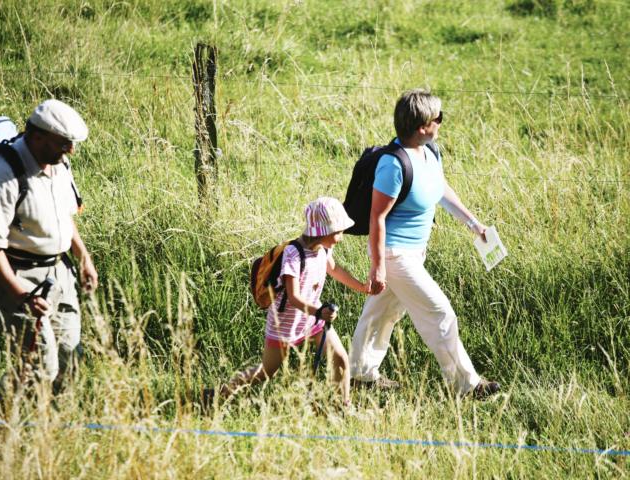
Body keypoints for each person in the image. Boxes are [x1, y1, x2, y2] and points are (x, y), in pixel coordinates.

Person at [349, 89, 500, 398]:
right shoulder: (393, 165)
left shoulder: (429, 152)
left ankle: (359, 375)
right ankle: (466, 385)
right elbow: (377, 218)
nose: (441, 123)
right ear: (422, 126)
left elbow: (439, 188)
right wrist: (378, 268)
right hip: (395, 255)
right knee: (440, 313)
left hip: (414, 253)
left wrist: (474, 224)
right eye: (438, 118)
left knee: (382, 313)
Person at [0, 99, 98, 418]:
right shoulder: (3, 176)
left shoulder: (59, 164)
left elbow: (65, 217)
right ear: (38, 137)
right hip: (20, 276)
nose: (70, 151)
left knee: (69, 357)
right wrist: (19, 293)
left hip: (60, 273)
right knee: (39, 367)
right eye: (64, 144)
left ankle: (51, 422)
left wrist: (84, 259)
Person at [208, 197, 369, 407]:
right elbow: (293, 297)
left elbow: (335, 269)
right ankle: (220, 393)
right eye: (337, 232)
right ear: (321, 231)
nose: (341, 237)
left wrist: (361, 287)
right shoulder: (294, 254)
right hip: (284, 324)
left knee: (340, 358)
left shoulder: (325, 249)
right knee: (266, 371)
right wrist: (319, 311)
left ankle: (342, 407)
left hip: (312, 320)